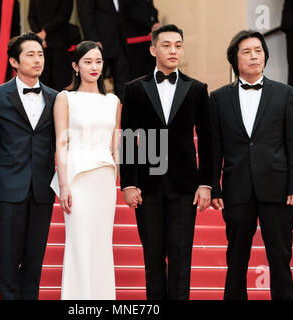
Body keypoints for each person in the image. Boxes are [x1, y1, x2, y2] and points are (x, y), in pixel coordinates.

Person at [210, 30, 293, 300]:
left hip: (277, 188)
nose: (254, 56)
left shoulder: (284, 93)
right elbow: (215, 147)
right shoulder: (218, 99)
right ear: (235, 59)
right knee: (236, 260)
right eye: (246, 52)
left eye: (258, 51)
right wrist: (214, 187)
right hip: (236, 188)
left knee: (280, 258)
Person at [120, 24, 213, 300]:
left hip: (185, 186)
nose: (173, 50)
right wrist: (128, 183)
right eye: (166, 45)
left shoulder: (197, 89)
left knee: (182, 257)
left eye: (178, 45)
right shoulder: (135, 89)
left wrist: (207, 183)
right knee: (153, 257)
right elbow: (128, 138)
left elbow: (208, 141)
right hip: (147, 187)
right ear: (153, 49)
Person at [0, 32, 58, 300]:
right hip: (8, 188)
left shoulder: (55, 97)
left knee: (34, 259)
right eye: (30, 54)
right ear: (14, 61)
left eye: (40, 54)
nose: (38, 60)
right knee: (7, 258)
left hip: (42, 188)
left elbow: (58, 141)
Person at [50, 40, 121, 300]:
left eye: (98, 61)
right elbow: (61, 143)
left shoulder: (113, 100)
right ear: (75, 66)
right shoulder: (65, 98)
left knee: (102, 244)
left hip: (104, 179)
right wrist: (64, 184)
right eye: (88, 61)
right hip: (77, 179)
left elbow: (116, 146)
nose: (94, 66)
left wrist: (119, 180)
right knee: (79, 242)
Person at [77, 0, 129, 100]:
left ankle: (122, 113)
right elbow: (85, 13)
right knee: (96, 82)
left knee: (123, 84)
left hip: (120, 41)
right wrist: (93, 40)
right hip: (100, 44)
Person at [28, 0, 74, 91]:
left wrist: (44, 32)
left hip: (59, 43)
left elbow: (63, 15)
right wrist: (39, 35)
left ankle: (61, 104)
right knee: (42, 80)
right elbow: (31, 16)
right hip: (41, 45)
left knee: (60, 80)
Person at [123, 0, 160, 81]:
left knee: (152, 74)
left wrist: (155, 24)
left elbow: (153, 11)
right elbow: (134, 14)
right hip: (135, 42)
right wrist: (151, 26)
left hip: (148, 41)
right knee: (138, 75)